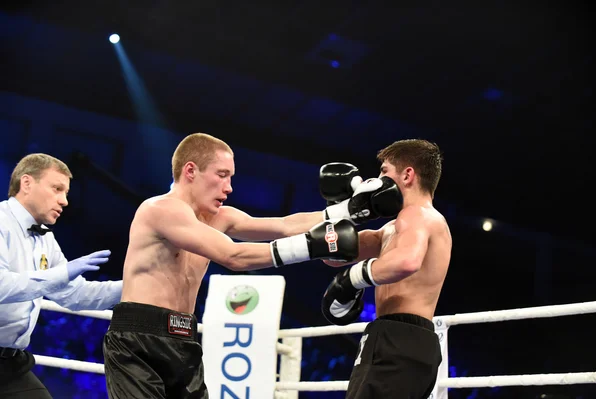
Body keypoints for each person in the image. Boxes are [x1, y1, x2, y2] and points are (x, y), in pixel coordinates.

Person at [102, 132, 402, 399]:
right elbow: (232, 256)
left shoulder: (219, 217)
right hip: (138, 339)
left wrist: (349, 210)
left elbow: (285, 226)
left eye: (230, 177)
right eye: (221, 175)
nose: (229, 187)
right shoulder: (161, 209)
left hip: (184, 337)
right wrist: (311, 246)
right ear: (190, 171)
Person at [321, 139, 452, 399]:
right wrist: (343, 208)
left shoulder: (419, 216)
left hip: (400, 336)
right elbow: (331, 254)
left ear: (407, 174)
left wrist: (354, 278)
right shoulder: (394, 227)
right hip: (399, 337)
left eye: (384, 171)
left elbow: (407, 262)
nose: (377, 179)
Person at [0, 153, 123, 398]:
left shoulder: (45, 238)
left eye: (65, 192)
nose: (64, 201)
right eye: (57, 189)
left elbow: (73, 294)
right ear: (26, 183)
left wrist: (137, 285)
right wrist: (63, 272)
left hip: (11, 364)